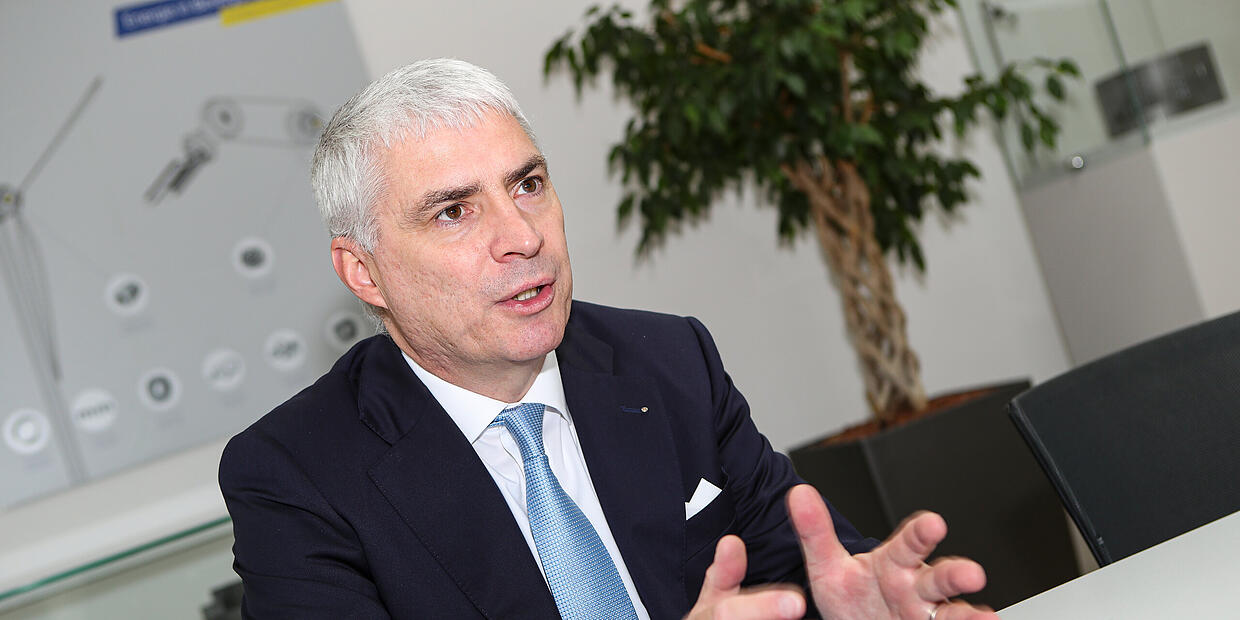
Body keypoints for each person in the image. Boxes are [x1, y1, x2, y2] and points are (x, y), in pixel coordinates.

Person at [219, 58, 996, 620]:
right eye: (454, 211)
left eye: (527, 185)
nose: (523, 236)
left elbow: (808, 567)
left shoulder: (669, 363)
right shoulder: (296, 476)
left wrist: (863, 606)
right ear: (364, 272)